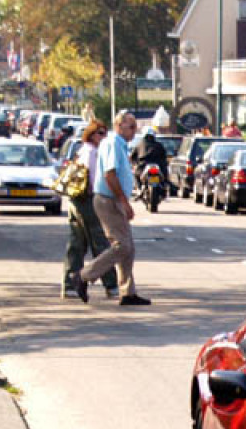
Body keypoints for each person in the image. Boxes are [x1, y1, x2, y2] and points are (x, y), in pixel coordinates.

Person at [73, 110, 151, 307]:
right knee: (122, 246)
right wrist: (123, 202)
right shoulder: (113, 143)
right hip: (108, 199)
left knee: (128, 247)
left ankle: (128, 292)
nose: (135, 130)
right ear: (119, 126)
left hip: (112, 198)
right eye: (131, 126)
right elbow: (110, 174)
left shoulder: (119, 144)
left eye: (136, 126)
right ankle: (83, 276)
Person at [62, 122, 119, 300]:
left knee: (77, 243)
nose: (103, 137)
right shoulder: (93, 153)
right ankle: (111, 285)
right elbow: (95, 179)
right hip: (88, 201)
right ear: (92, 135)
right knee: (100, 243)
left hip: (75, 200)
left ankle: (70, 284)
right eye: (101, 134)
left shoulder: (81, 150)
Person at [131, 129, 169, 193]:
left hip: (145, 165)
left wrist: (135, 163)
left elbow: (133, 157)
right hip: (154, 165)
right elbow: (164, 156)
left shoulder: (139, 144)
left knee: (136, 173)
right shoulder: (158, 145)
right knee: (136, 173)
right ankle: (140, 188)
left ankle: (139, 188)